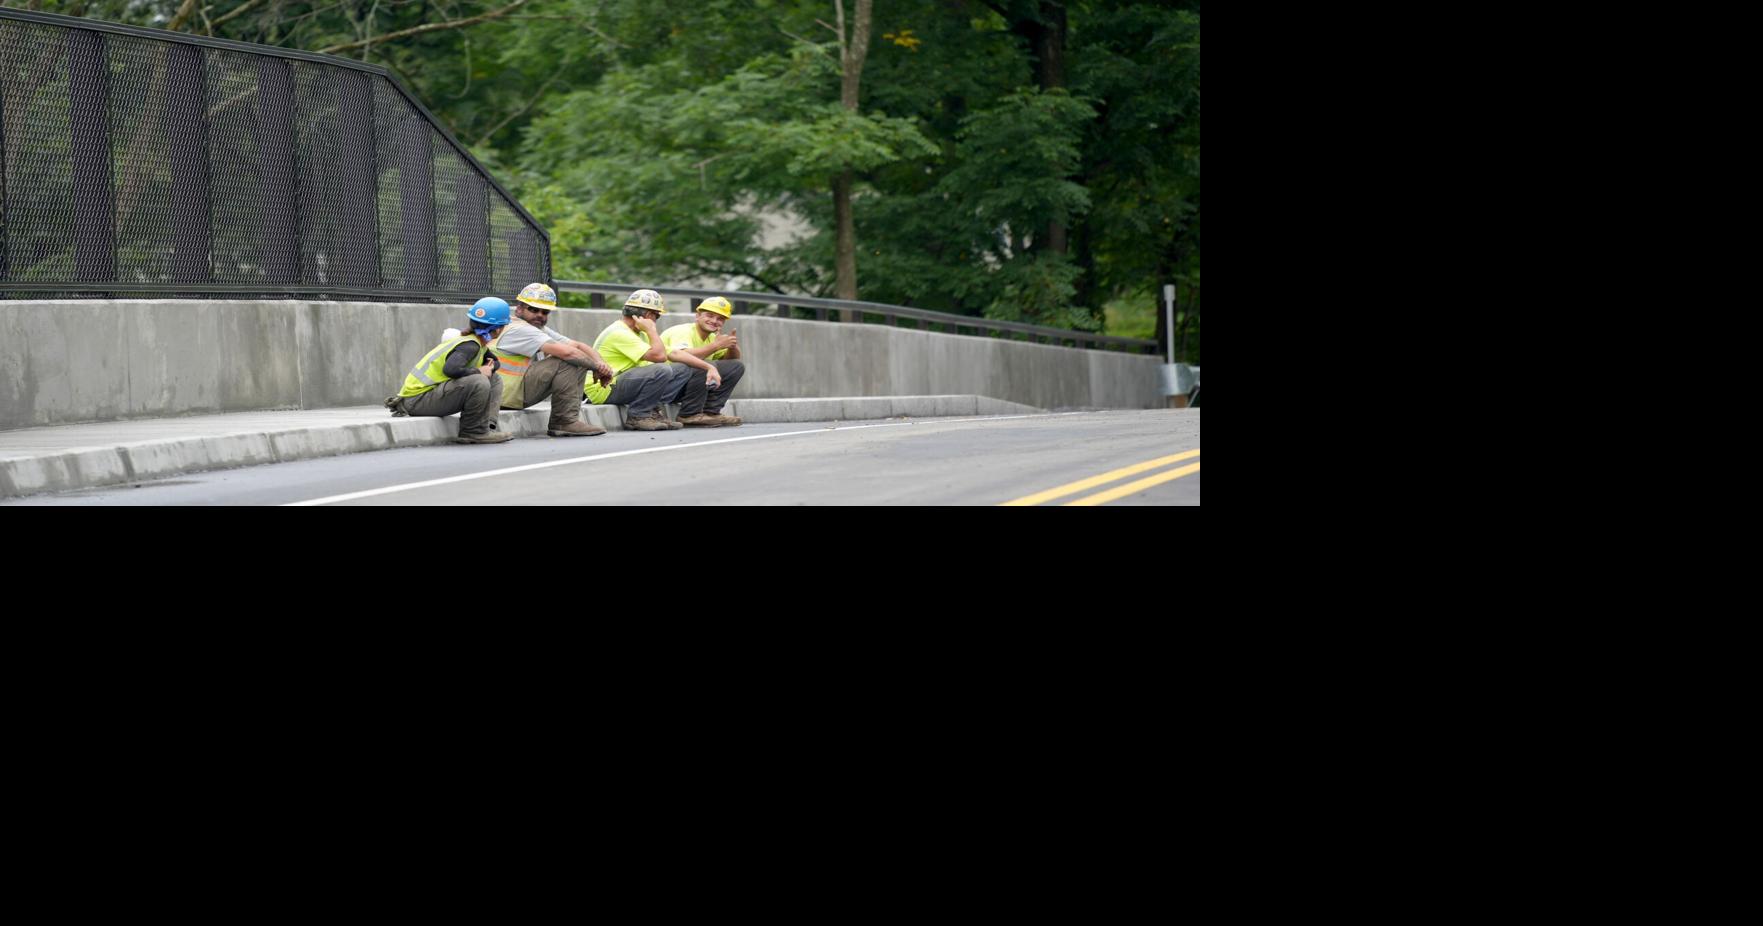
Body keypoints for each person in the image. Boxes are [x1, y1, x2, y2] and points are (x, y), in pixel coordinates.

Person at [385, 297, 514, 444]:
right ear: (497, 329)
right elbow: (451, 370)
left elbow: (495, 361)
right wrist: (479, 372)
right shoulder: (469, 346)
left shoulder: (476, 343)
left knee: (494, 379)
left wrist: (490, 368)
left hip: (421, 398)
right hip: (416, 401)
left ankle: (487, 427)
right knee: (479, 380)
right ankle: (473, 431)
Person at [492, 282, 612, 437]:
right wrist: (596, 368)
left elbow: (577, 345)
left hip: (510, 393)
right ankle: (564, 420)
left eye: (545, 312)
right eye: (534, 309)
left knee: (577, 356)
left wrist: (601, 365)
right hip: (503, 396)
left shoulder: (534, 328)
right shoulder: (520, 329)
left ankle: (566, 420)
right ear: (519, 308)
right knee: (569, 359)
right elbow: (568, 353)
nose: (540, 315)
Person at [584, 289, 691, 432]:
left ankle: (651, 411)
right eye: (656, 316)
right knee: (662, 369)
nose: (656, 320)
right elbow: (659, 357)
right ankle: (638, 416)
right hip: (604, 388)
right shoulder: (619, 332)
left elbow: (668, 353)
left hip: (622, 380)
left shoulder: (637, 332)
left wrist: (709, 368)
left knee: (682, 369)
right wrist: (651, 330)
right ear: (648, 315)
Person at [661, 296, 745, 427]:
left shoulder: (712, 337)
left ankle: (710, 412)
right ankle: (689, 415)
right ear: (697, 316)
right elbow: (681, 355)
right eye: (709, 315)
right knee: (703, 364)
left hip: (686, 387)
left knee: (736, 366)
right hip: (665, 386)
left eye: (720, 319)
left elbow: (730, 360)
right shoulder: (682, 331)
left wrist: (732, 345)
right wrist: (716, 346)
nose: (714, 321)